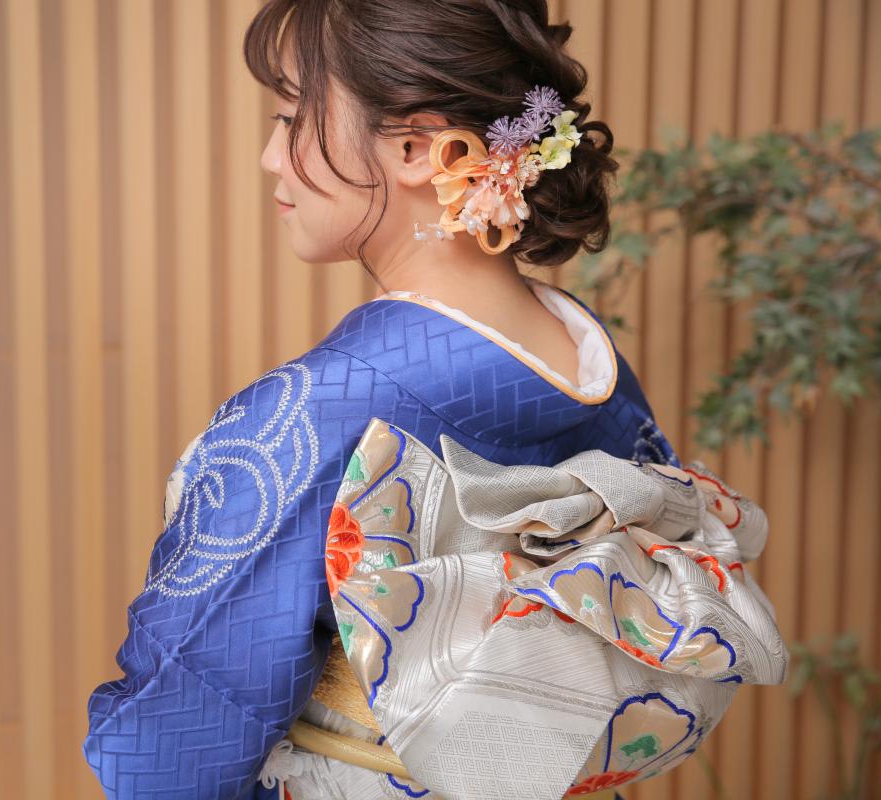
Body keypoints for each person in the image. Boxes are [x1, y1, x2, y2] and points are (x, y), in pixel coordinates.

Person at [82, 1, 752, 797]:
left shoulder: (326, 406)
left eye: (292, 117)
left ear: (418, 147)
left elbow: (181, 723)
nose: (270, 156)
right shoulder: (583, 352)